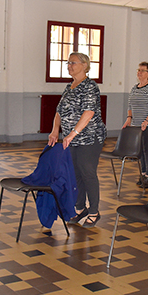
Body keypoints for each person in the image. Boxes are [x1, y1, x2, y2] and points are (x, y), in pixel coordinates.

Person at [48, 52, 107, 228]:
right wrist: (54, 131)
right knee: (75, 174)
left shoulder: (90, 87)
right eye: (68, 63)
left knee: (88, 173)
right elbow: (59, 111)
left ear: (84, 65)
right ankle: (80, 208)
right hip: (71, 140)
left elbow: (88, 113)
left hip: (90, 138)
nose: (69, 66)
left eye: (73, 63)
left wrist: (72, 133)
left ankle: (94, 211)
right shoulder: (70, 86)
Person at [123, 62, 148, 188]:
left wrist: (147, 121)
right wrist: (129, 118)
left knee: (147, 148)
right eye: (138, 70)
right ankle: (142, 173)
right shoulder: (135, 88)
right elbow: (130, 105)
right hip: (136, 124)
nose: (139, 72)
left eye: (142, 70)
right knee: (140, 150)